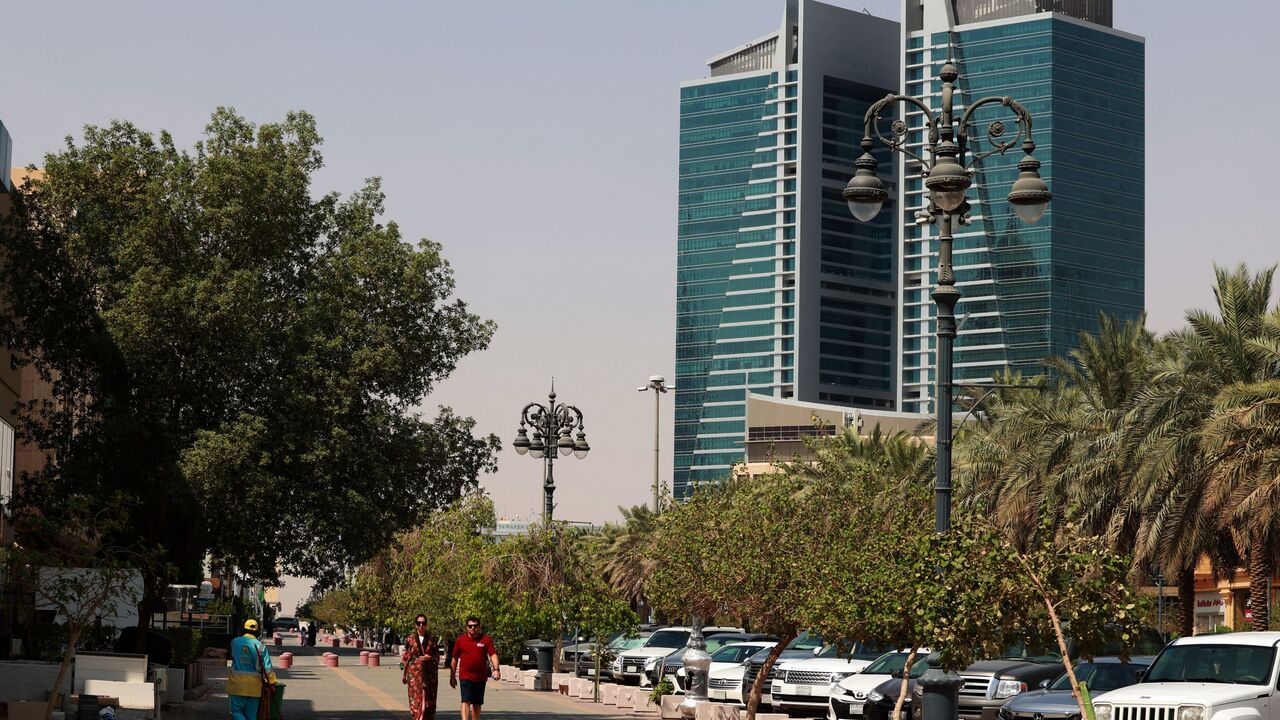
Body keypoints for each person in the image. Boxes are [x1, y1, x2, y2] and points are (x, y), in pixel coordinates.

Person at [449, 616, 499, 720]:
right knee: (465, 700)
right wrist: (452, 676)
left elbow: (493, 655)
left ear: (479, 627)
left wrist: (496, 669)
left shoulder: (486, 639)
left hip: (480, 677)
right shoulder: (461, 640)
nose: (473, 628)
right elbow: (454, 658)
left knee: (477, 703)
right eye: (470, 626)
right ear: (466, 627)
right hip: (465, 675)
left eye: (475, 626)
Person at [228, 619, 277, 720]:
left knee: (236, 711)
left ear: (243, 629)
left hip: (237, 685)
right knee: (251, 716)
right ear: (258, 631)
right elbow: (267, 668)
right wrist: (272, 683)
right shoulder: (261, 646)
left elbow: (233, 656)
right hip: (254, 687)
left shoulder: (234, 642)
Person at [401, 615, 440, 720]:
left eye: (423, 623)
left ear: (426, 624)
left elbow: (437, 656)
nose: (421, 625)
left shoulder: (432, 639)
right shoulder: (410, 639)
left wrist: (430, 657)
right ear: (415, 625)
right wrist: (403, 673)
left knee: (429, 701)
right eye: (419, 623)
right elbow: (406, 657)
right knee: (416, 700)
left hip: (429, 674)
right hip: (414, 674)